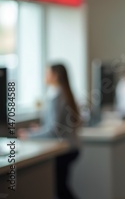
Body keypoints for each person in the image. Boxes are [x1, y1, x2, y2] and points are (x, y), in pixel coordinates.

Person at [18, 64, 81, 199]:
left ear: (55, 76)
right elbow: (56, 126)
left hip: (64, 148)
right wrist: (39, 130)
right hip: (71, 146)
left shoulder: (57, 97)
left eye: (47, 73)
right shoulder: (64, 93)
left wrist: (29, 135)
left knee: (61, 190)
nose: (44, 76)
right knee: (62, 188)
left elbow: (53, 130)